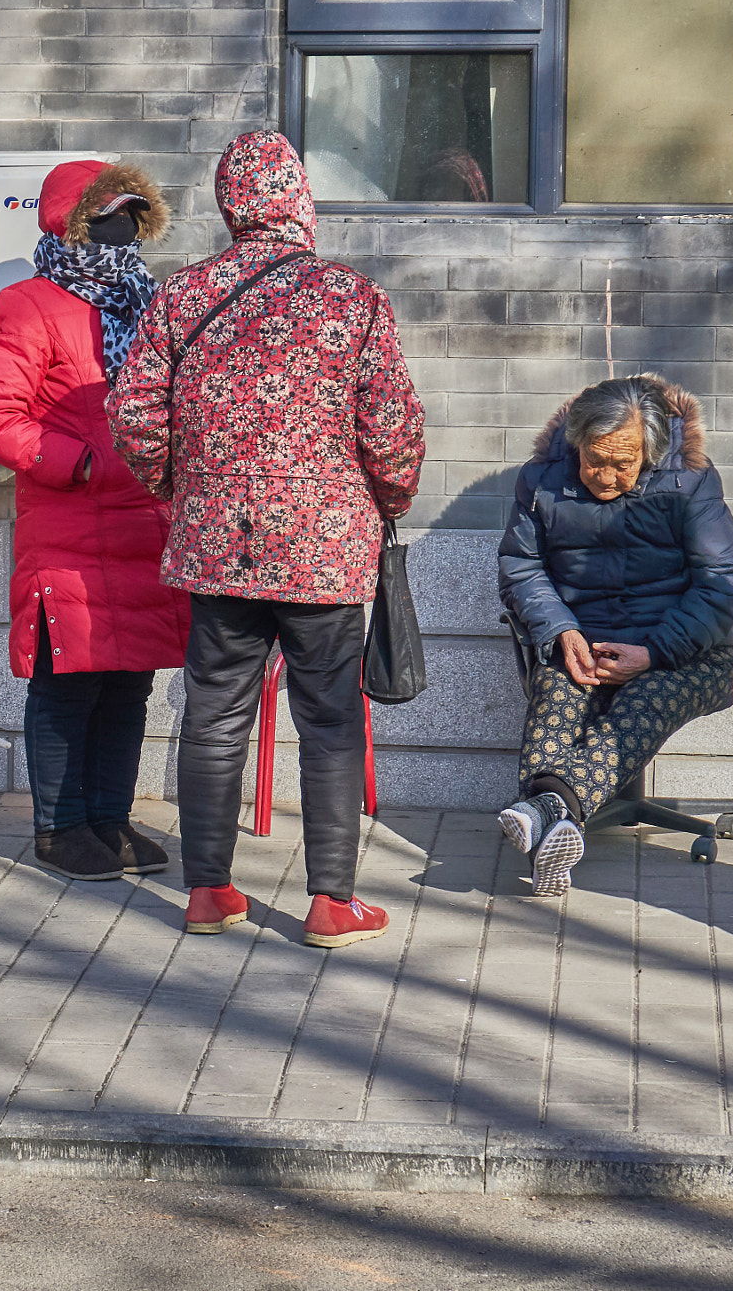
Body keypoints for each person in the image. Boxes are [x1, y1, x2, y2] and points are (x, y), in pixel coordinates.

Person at [110, 130, 425, 949]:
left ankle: (208, 891)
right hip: (323, 550)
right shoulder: (351, 297)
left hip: (221, 545)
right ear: (298, 197)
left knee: (213, 711)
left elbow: (135, 415)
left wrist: (186, 493)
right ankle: (331, 902)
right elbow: (390, 430)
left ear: (229, 204)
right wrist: (386, 498)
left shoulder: (183, 296)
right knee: (329, 719)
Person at [0, 159, 191, 881]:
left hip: (144, 526)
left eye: (132, 214)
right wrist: (82, 463)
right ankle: (60, 827)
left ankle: (108, 817)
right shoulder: (26, 305)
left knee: (129, 682)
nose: (120, 229)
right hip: (71, 529)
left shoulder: (147, 300)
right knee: (69, 680)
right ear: (71, 222)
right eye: (106, 215)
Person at [496, 375, 733, 896]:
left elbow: (723, 582)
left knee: (645, 701)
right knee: (555, 694)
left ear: (650, 451)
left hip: (687, 654)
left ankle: (547, 810)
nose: (606, 475)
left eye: (623, 463)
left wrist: (655, 651)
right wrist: (561, 630)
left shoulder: (690, 483)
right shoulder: (542, 480)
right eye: (595, 461)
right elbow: (521, 567)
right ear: (576, 444)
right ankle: (556, 835)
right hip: (585, 644)